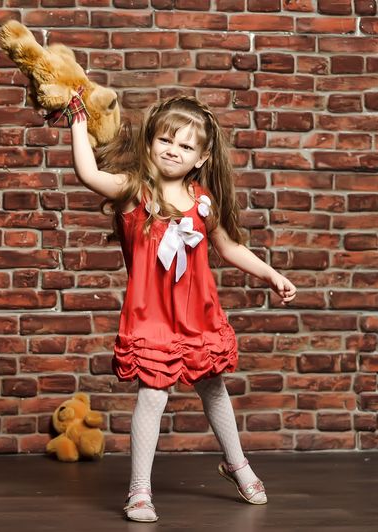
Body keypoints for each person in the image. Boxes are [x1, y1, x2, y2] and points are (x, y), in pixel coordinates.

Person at [59, 92, 297, 522]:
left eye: (186, 146)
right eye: (166, 140)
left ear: (202, 156)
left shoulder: (202, 201)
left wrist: (270, 274)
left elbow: (229, 247)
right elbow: (89, 173)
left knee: (213, 387)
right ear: (151, 141)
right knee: (153, 395)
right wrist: (78, 120)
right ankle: (139, 491)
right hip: (153, 316)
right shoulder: (135, 191)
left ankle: (237, 464)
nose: (174, 151)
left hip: (197, 315)